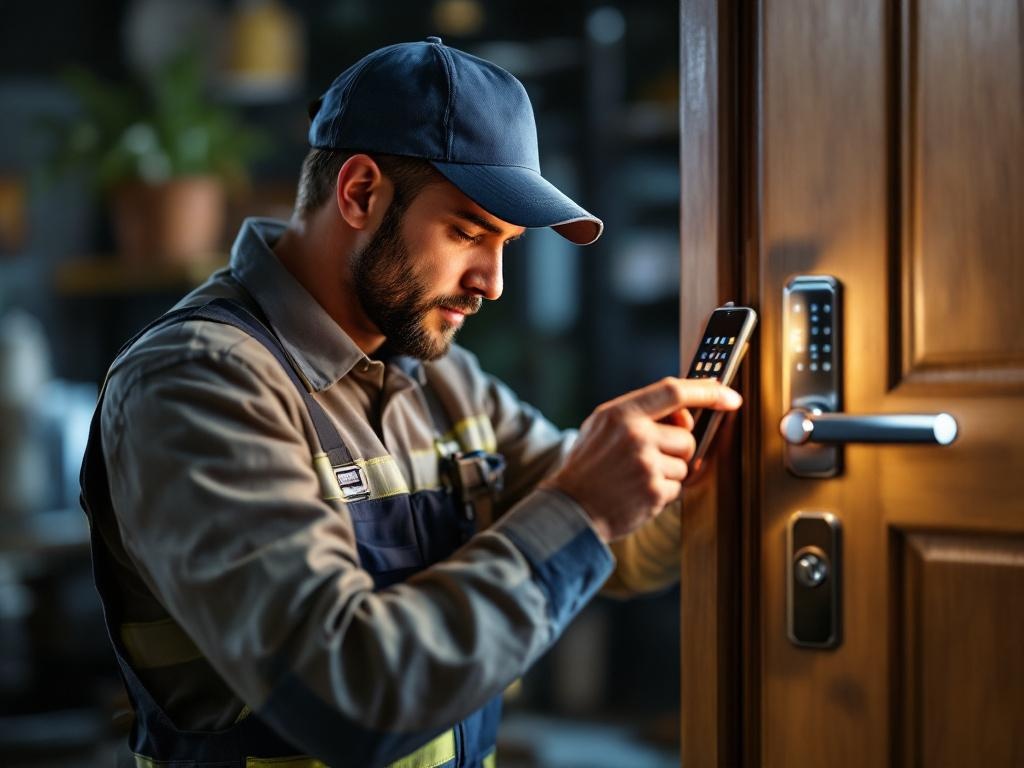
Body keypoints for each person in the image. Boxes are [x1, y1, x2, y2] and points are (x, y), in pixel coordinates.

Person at [80, 37, 743, 768]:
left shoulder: (444, 380)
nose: (491, 282)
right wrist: (581, 503)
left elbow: (619, 545)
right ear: (360, 192)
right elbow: (349, 695)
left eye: (506, 245)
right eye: (467, 232)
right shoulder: (197, 382)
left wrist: (724, 459)